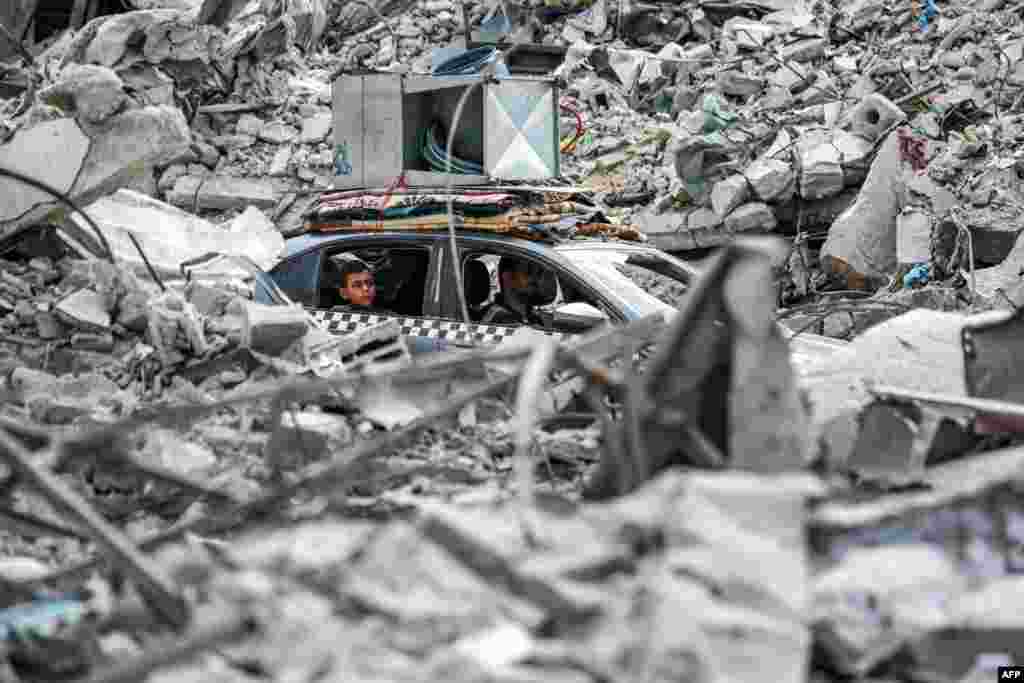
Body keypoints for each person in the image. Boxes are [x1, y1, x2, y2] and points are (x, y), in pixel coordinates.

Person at [481, 256, 548, 326]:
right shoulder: (495, 319)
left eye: (539, 274)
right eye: (528, 272)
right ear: (508, 277)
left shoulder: (535, 316)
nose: (536, 280)